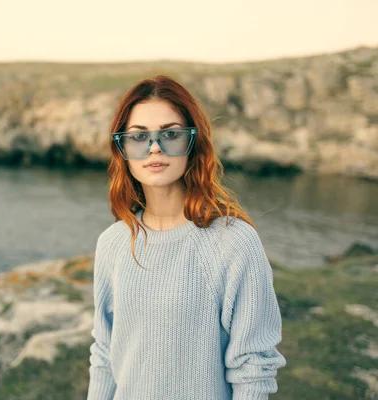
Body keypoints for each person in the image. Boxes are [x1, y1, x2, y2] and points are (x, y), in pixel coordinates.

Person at [86, 75, 286, 400]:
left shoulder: (233, 242)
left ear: (193, 142)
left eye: (171, 134)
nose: (154, 148)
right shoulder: (112, 243)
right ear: (122, 149)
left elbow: (253, 367)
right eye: (139, 137)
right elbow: (105, 354)